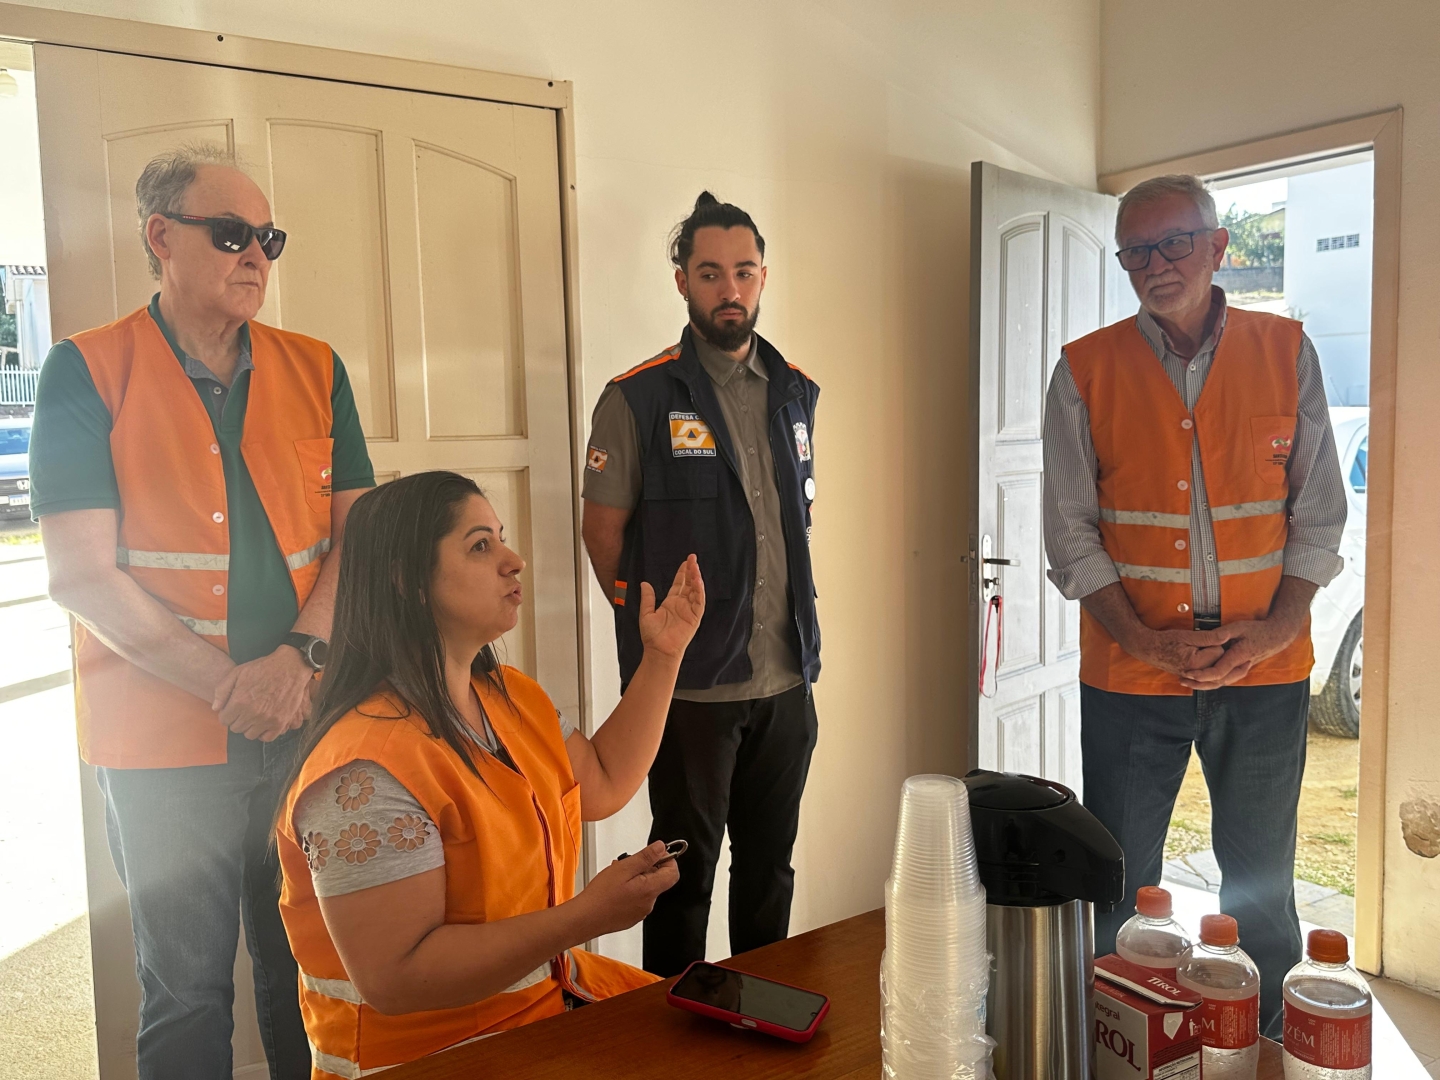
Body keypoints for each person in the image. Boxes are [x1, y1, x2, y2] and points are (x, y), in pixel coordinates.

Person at [30, 145, 375, 1079]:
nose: (256, 255)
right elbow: (80, 575)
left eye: (268, 238)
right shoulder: (86, 371)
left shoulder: (316, 368)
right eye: (230, 234)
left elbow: (360, 538)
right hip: (161, 746)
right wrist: (232, 686)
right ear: (160, 237)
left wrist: (298, 662)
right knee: (184, 994)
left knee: (309, 974)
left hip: (304, 721)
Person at [1042, 173, 1346, 1038]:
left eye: (1174, 242)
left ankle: (1269, 1044)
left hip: (1266, 673)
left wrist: (1275, 629)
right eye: (1136, 251)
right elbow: (1070, 531)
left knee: (1263, 890)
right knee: (1117, 883)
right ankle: (1116, 1041)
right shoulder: (1084, 370)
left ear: (1218, 248)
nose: (1156, 264)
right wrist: (1142, 639)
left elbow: (1320, 514)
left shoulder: (1287, 351)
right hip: (1130, 677)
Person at [274, 471, 702, 1073]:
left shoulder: (509, 698)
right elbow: (397, 977)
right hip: (428, 1059)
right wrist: (586, 917)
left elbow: (603, 781)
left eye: (500, 538)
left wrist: (662, 656)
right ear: (405, 580)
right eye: (480, 545)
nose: (514, 559)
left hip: (539, 1015)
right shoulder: (362, 776)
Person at [581, 192, 821, 976]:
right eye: (711, 273)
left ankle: (766, 1016)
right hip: (687, 695)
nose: (730, 289)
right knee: (680, 884)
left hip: (785, 683)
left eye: (744, 272)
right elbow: (602, 534)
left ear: (763, 278)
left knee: (769, 874)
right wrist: (656, 644)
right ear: (682, 281)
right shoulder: (639, 397)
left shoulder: (795, 390)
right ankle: (669, 1031)